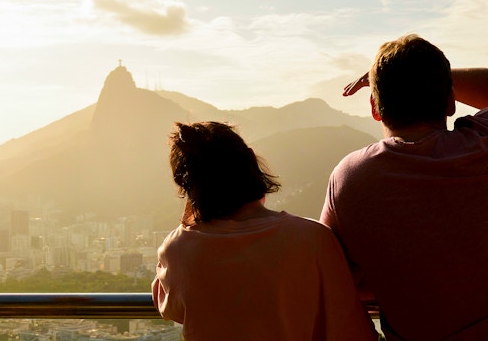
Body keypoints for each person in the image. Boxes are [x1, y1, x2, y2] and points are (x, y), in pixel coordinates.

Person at [320, 34, 488, 340]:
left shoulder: (350, 177)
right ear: (450, 101)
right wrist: (431, 77)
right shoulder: (481, 144)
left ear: (374, 107)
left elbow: (334, 276)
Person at [152, 121, 377, 341]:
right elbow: (352, 329)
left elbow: (171, 308)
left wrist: (191, 211)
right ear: (250, 160)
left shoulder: (178, 249)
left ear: (186, 185)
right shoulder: (312, 239)